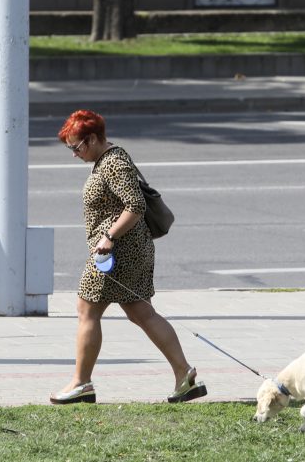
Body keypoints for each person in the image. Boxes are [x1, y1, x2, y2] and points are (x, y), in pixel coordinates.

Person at [50, 109, 207, 405]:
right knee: (141, 312)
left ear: (93, 138)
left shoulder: (114, 163)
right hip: (129, 248)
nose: (74, 154)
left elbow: (134, 205)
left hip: (118, 251)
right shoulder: (108, 159)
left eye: (76, 147)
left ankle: (81, 383)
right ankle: (183, 374)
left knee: (87, 310)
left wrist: (108, 237)